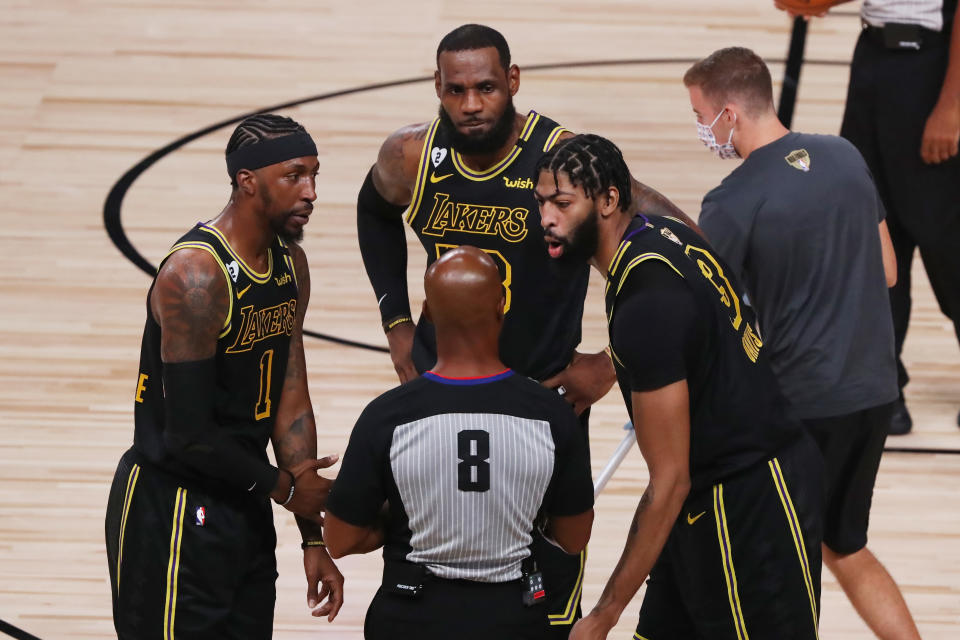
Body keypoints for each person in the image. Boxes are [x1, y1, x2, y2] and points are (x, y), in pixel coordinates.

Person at [356, 22, 696, 633]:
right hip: (441, 404)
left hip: (541, 404)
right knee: (428, 587)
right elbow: (373, 208)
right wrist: (395, 319)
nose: (470, 105)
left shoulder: (563, 160)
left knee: (548, 599)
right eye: (455, 90)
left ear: (512, 81)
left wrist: (614, 361)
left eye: (485, 87)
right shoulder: (412, 156)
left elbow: (678, 246)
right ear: (436, 86)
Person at [534, 134, 825, 640]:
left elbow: (669, 482)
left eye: (562, 203)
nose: (547, 219)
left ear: (607, 201)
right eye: (541, 203)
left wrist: (603, 613)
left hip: (748, 507)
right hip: (704, 505)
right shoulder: (663, 232)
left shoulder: (648, 305)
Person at [683, 46, 921, 640]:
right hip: (872, 394)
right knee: (844, 545)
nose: (700, 128)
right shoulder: (844, 156)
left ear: (730, 113)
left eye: (699, 114)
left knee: (784, 565)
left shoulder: (731, 202)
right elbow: (889, 269)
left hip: (802, 409)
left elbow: (701, 317)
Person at [104, 114, 344, 638]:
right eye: (295, 176)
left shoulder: (290, 267)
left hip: (246, 495)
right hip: (174, 506)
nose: (311, 193)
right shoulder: (196, 277)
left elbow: (291, 396)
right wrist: (285, 490)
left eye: (315, 176)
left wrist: (311, 538)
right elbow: (188, 436)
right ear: (247, 180)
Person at [324, 246, 595, 640]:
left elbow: (340, 538)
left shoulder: (385, 416)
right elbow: (574, 538)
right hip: (513, 619)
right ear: (503, 305)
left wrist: (398, 519)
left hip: (409, 617)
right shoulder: (551, 416)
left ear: (428, 312)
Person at [783, 0, 960, 433]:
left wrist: (952, 108)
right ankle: (885, 387)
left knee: (946, 241)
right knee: (872, 234)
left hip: (933, 66)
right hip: (873, 61)